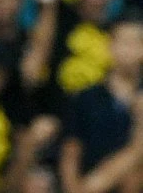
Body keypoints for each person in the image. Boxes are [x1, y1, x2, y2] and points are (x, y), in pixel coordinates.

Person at [59, 12, 143, 193]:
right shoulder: (86, 97)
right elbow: (70, 152)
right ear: (110, 45)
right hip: (87, 180)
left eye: (136, 43)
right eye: (123, 42)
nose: (129, 50)